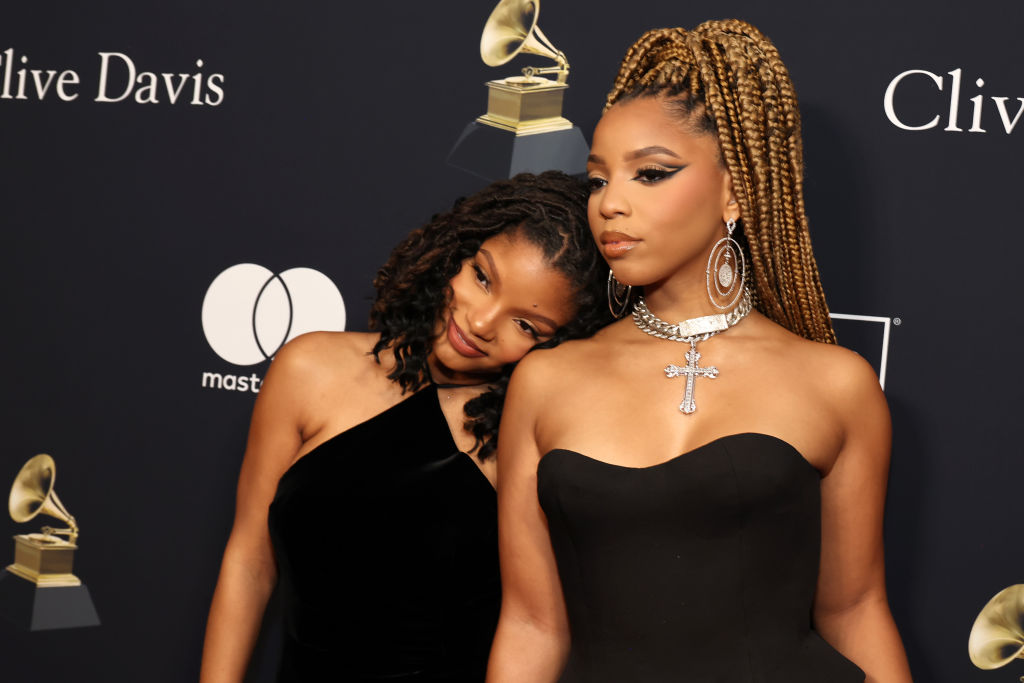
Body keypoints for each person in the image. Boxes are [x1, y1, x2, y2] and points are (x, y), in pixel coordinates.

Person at [488, 21, 913, 683]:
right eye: (598, 180)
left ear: (735, 189)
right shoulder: (545, 381)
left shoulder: (837, 384)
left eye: (651, 173)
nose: (611, 205)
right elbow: (531, 625)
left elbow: (856, 609)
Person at [199, 171, 611, 682]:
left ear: (562, 343)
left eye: (526, 325)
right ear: (455, 252)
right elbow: (249, 561)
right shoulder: (309, 368)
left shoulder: (526, 442)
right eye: (483, 278)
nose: (482, 323)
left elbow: (537, 627)